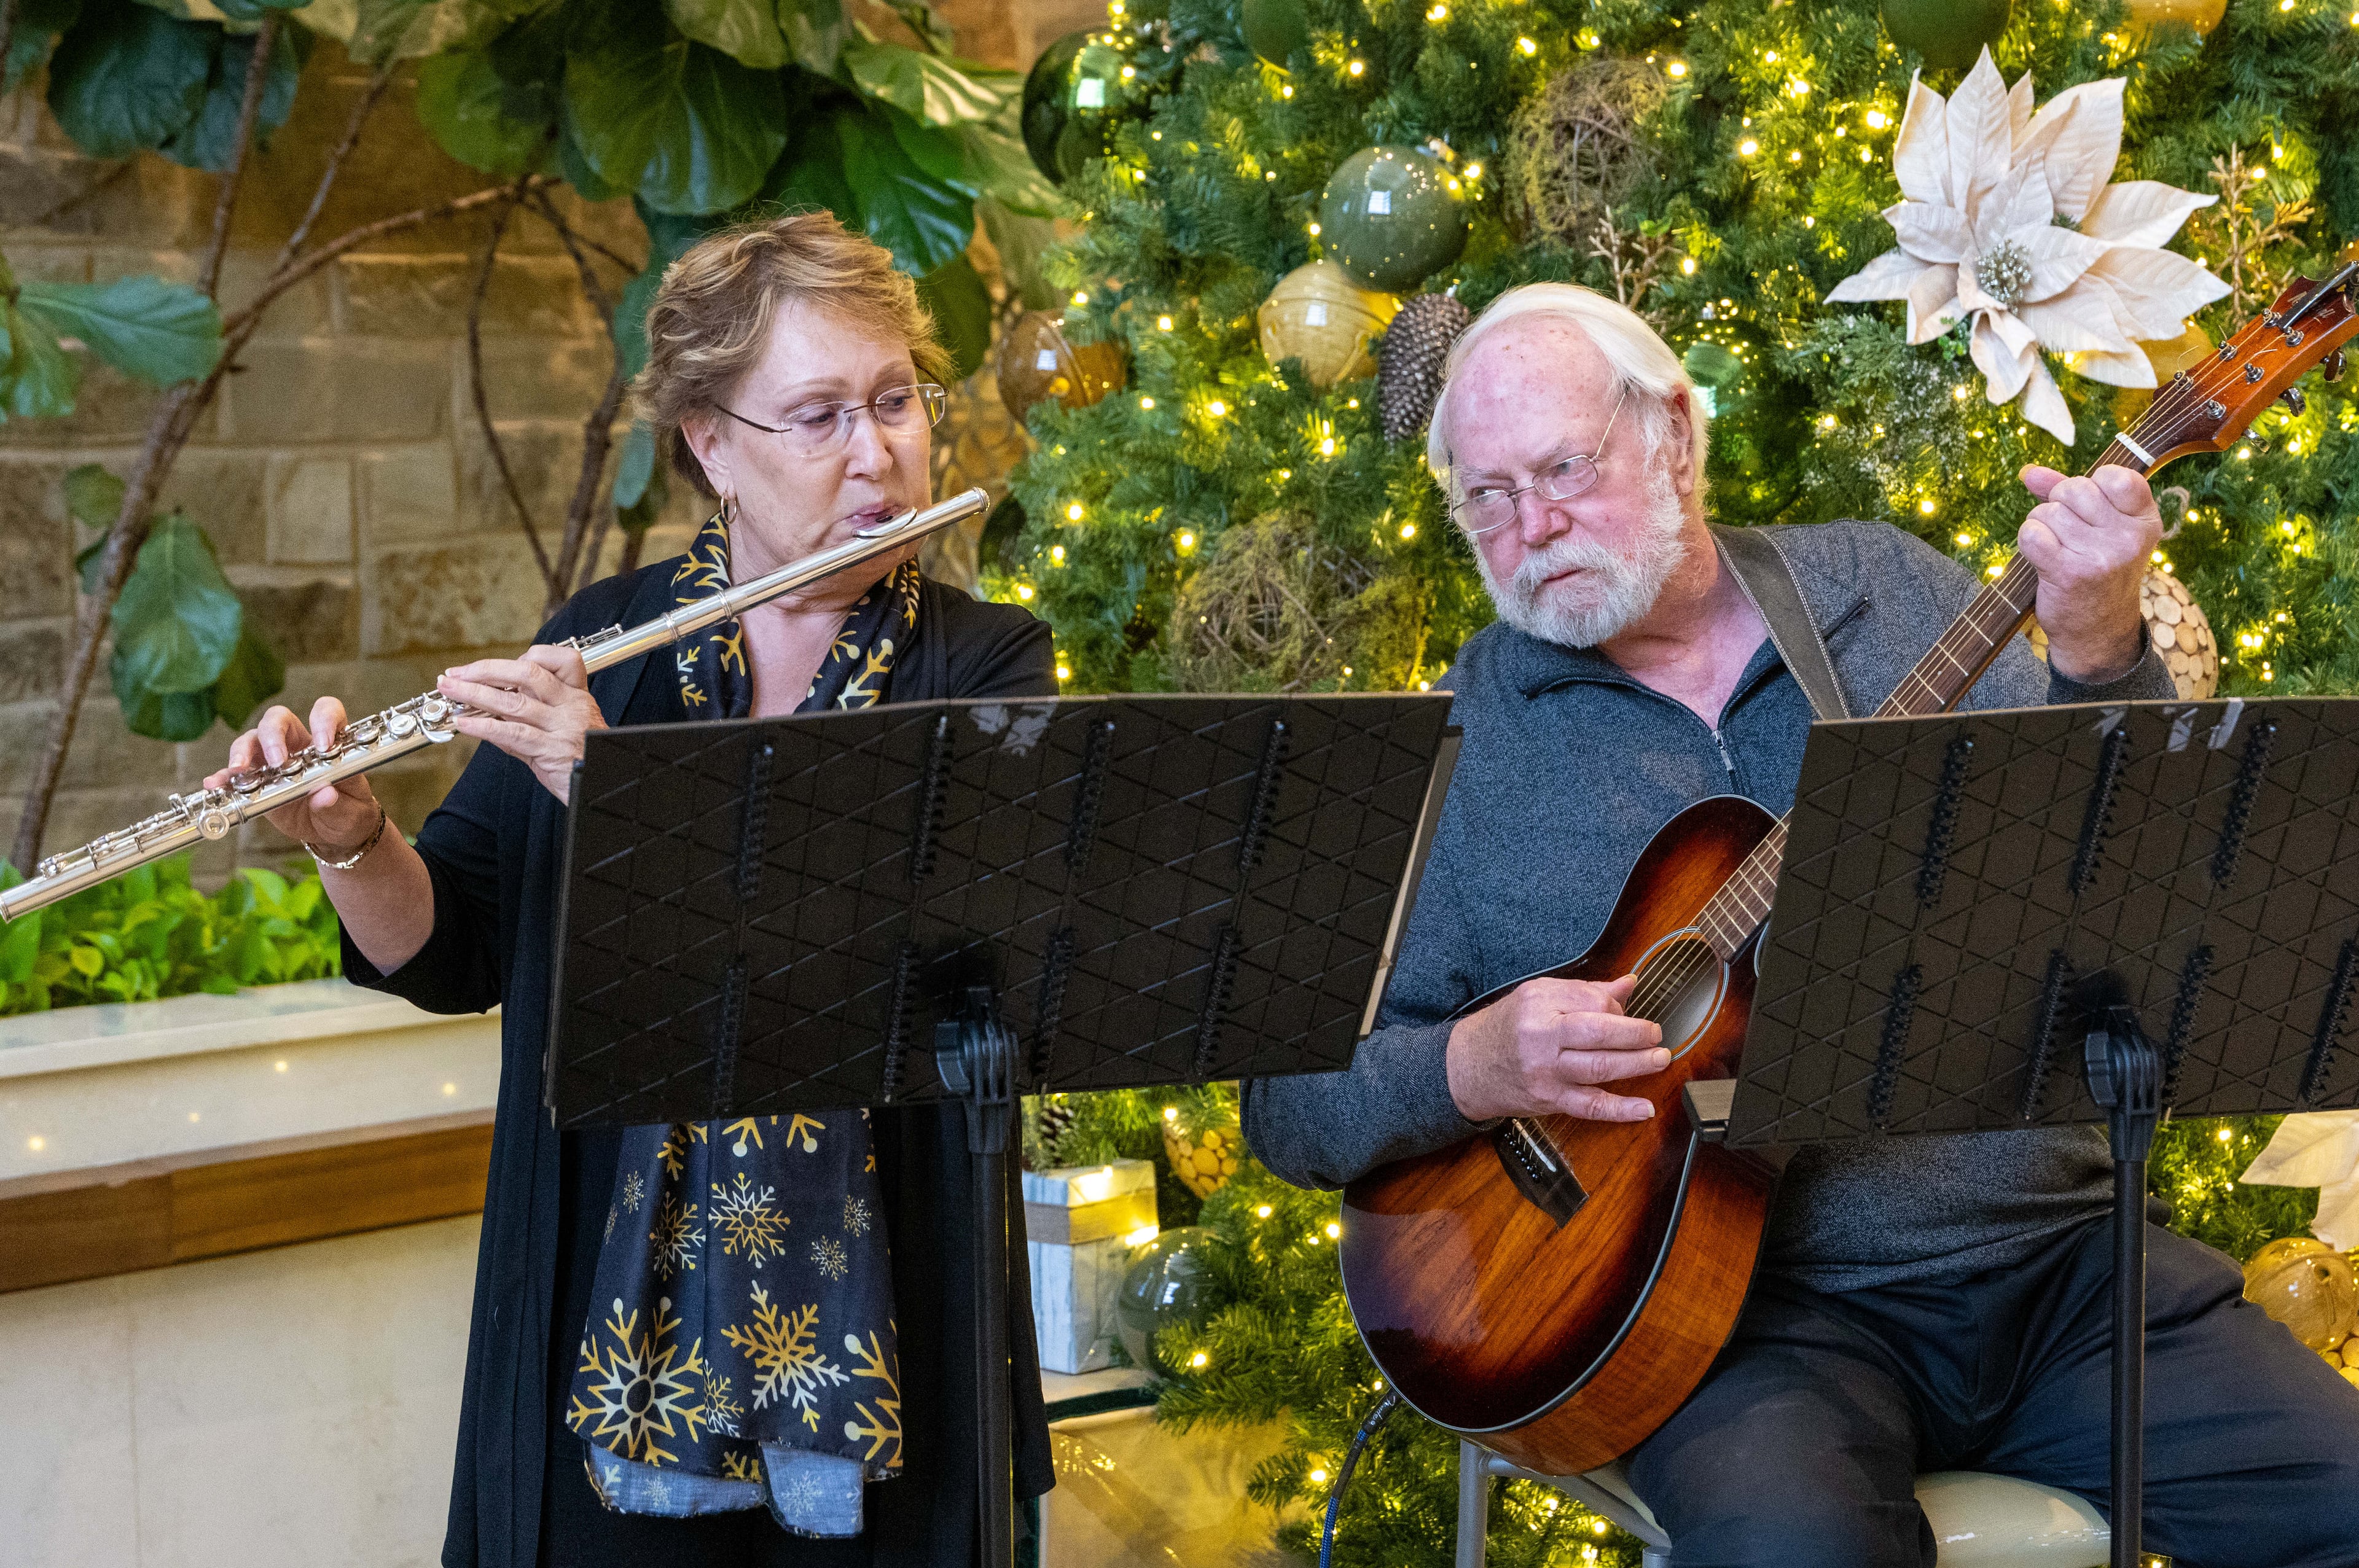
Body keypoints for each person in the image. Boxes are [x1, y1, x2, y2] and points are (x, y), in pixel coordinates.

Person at [1242, 281, 2359, 1566]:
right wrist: (1469, 1062)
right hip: (1746, 1325)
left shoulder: (1883, 592)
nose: (1532, 524)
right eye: (1485, 496)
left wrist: (2102, 648)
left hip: (2055, 1270)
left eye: (1562, 467)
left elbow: (2144, 860)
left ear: (1673, 431)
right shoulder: (1468, 737)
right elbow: (1286, 1096)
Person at [206, 213, 1055, 1568]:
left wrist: (623, 791)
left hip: (893, 1331)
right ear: (711, 441)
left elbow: (920, 959)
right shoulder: (598, 648)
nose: (877, 450)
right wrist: (353, 837)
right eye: (821, 413)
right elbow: (450, 945)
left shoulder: (988, 667)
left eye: (896, 400)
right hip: (603, 1315)